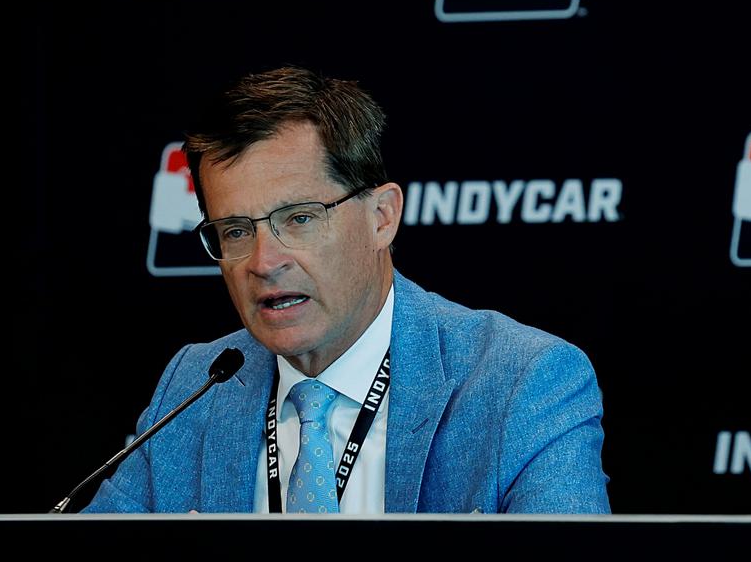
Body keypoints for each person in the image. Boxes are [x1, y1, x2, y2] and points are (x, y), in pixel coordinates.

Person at [83, 66, 610, 514]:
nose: (264, 263)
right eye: (237, 231)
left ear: (382, 217)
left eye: (300, 218)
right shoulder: (194, 386)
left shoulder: (520, 382)